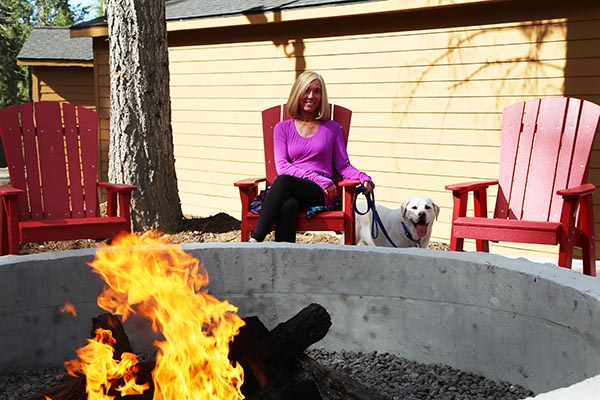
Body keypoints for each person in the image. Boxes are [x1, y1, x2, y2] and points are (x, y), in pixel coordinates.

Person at [249, 70, 375, 243]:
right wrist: (316, 178)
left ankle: (255, 240)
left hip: (322, 191)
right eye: (306, 90)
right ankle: (284, 261)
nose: (311, 96)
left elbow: (343, 165)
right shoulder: (282, 128)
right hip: (293, 187)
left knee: (283, 181)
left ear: (322, 97)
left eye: (316, 91)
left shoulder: (332, 128)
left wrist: (363, 177)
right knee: (288, 205)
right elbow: (282, 166)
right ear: (298, 94)